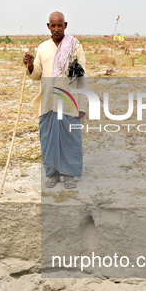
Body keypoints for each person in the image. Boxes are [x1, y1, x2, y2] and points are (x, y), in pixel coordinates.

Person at [23, 11, 87, 189]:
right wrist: (29, 65)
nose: (57, 28)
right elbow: (36, 75)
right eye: (53, 25)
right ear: (48, 27)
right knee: (48, 138)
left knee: (70, 138)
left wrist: (82, 105)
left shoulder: (75, 46)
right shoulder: (43, 48)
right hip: (48, 101)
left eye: (60, 25)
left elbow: (81, 77)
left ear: (65, 25)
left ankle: (69, 174)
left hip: (69, 101)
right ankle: (53, 173)